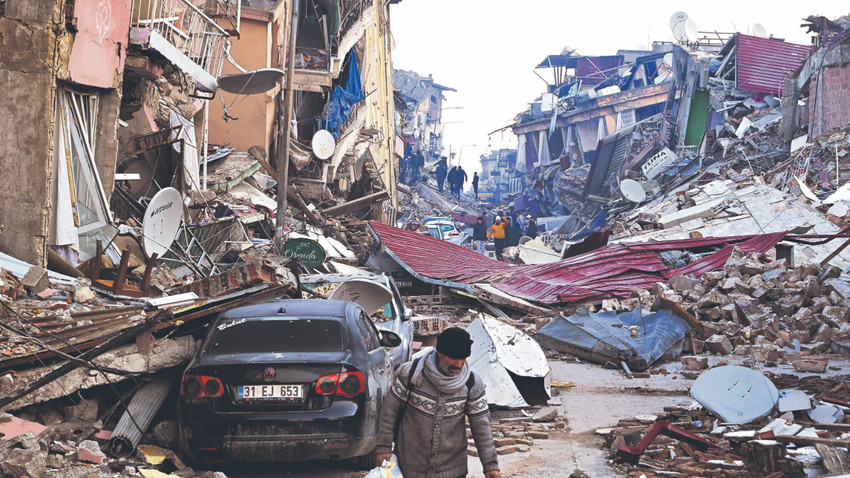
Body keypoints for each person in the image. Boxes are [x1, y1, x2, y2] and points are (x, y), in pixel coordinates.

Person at [375, 328, 501, 478]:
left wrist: (490, 465)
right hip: (410, 468)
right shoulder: (411, 375)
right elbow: (389, 412)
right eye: (454, 357)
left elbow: (482, 427)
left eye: (463, 358)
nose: (459, 364)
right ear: (440, 352)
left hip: (453, 470)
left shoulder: (472, 383)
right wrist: (383, 447)